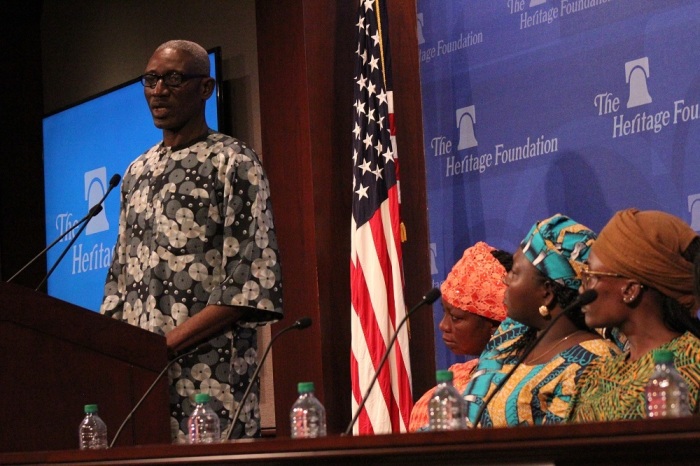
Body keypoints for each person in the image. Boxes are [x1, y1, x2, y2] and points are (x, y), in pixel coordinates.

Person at [100, 40, 283, 442]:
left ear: (206, 88)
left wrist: (162, 347)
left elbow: (250, 283)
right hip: (140, 387)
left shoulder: (235, 163)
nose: (158, 90)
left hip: (211, 385)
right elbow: (118, 286)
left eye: (174, 79)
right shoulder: (136, 172)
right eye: (150, 80)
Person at [462, 214, 620, 427]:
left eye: (515, 273)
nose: (504, 278)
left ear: (547, 292)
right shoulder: (511, 338)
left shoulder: (594, 362)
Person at [568, 208, 700, 422]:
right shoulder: (596, 375)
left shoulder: (691, 362)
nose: (582, 290)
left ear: (630, 290)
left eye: (591, 277)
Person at [408, 242, 511, 432]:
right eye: (444, 313)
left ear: (495, 322)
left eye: (456, 318)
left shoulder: (512, 382)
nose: (443, 325)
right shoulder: (458, 375)